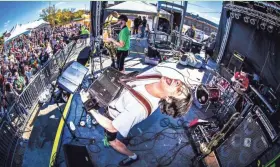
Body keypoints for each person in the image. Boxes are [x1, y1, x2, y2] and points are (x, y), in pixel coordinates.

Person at [82, 75, 193, 166]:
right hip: (113, 102)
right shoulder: (157, 78)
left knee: (112, 142)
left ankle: (132, 156)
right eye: (181, 84)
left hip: (112, 117)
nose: (178, 82)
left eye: (178, 90)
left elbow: (111, 126)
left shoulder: (139, 108)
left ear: (168, 99)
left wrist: (90, 108)